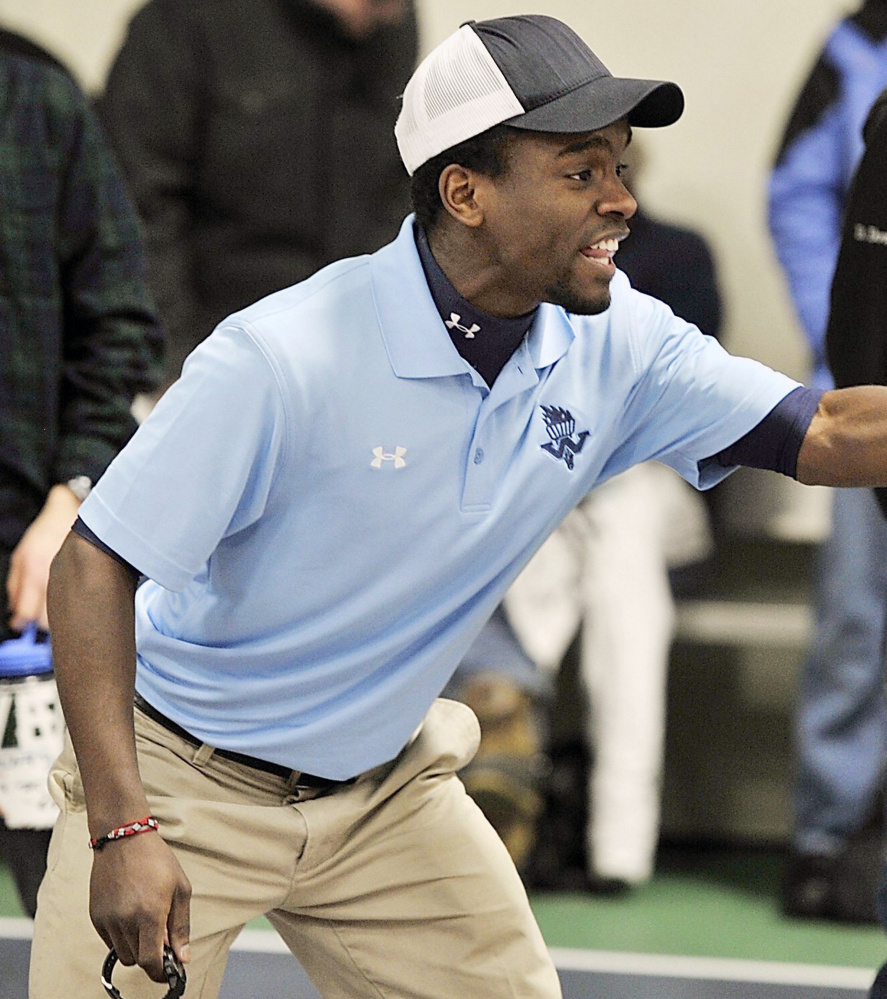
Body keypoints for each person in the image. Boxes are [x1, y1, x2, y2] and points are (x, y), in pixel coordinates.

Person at [28, 14, 887, 998]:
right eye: (580, 173)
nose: (621, 200)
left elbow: (824, 432)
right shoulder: (283, 357)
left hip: (384, 792)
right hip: (183, 781)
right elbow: (91, 566)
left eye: (620, 165)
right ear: (464, 192)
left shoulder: (622, 347)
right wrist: (123, 824)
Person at [504, 148, 723, 891]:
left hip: (641, 484)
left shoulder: (677, 255)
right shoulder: (528, 263)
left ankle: (617, 851)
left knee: (628, 627)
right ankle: (513, 819)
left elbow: (692, 395)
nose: (607, 195)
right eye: (582, 175)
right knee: (520, 626)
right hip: (544, 477)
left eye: (614, 173)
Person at [0, 30, 160, 919]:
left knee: (66, 904)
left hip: (25, 570)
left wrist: (68, 500)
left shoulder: (38, 107)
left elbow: (124, 329)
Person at [99, 0, 417, 387]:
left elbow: (395, 192)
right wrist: (177, 370)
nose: (392, 13)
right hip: (214, 353)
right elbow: (137, 208)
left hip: (345, 361)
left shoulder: (384, 26)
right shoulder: (183, 23)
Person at [768, 0, 887, 922]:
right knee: (856, 623)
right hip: (870, 404)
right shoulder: (858, 42)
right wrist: (846, 345)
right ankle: (824, 836)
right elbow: (802, 193)